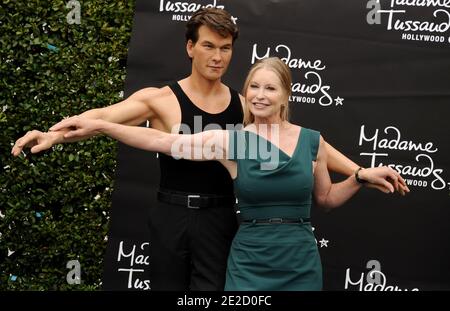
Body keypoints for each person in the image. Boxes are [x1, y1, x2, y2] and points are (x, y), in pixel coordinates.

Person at [11, 9, 408, 290]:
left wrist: (360, 171)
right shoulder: (161, 99)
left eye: (225, 48)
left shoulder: (244, 104)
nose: (217, 57)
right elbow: (113, 120)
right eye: (208, 46)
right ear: (190, 48)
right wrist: (54, 134)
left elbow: (309, 150)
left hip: (221, 218)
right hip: (172, 214)